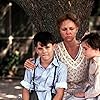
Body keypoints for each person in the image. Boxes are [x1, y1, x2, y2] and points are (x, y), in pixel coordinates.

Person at [24, 13, 89, 100]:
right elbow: (43, 58)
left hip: (84, 91)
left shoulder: (87, 48)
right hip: (62, 94)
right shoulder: (54, 48)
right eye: (64, 29)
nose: (68, 32)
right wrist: (29, 62)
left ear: (77, 29)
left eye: (71, 28)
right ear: (59, 30)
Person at [20, 31, 67, 100]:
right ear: (36, 49)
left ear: (54, 47)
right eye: (40, 48)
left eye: (47, 47)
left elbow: (60, 93)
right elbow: (25, 89)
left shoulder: (61, 67)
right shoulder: (31, 64)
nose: (44, 51)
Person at [74, 32, 100, 100]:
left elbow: (97, 89)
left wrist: (85, 94)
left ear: (97, 48)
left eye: (85, 49)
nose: (83, 52)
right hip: (91, 89)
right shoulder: (92, 59)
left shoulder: (98, 64)